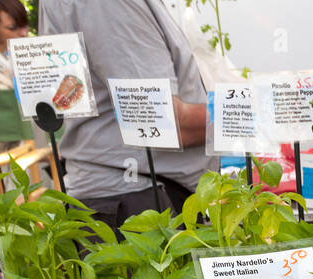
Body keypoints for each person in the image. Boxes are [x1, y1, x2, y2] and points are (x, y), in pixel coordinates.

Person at [39, 0, 213, 232]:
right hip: (138, 201)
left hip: (135, 194)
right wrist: (251, 112)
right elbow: (161, 120)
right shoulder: (108, 5)